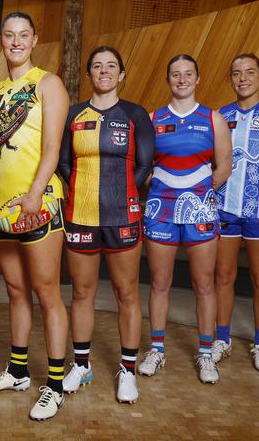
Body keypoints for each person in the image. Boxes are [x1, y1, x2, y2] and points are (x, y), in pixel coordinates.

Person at [0, 12, 69, 421]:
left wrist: (33, 196)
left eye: (23, 35)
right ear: (1, 40)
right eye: (9, 35)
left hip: (39, 202)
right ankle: (16, 372)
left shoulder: (49, 83)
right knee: (15, 290)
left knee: (47, 293)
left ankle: (55, 384)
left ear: (35, 40)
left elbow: (52, 149)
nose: (16, 42)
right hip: (2, 207)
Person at [58, 46, 154, 403]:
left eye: (111, 65)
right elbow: (63, 162)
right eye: (97, 66)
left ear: (121, 74)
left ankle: (127, 371)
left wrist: (124, 195)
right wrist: (79, 191)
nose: (104, 71)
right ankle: (81, 365)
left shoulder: (135, 114)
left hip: (123, 216)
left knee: (126, 292)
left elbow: (144, 165)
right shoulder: (72, 114)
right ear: (89, 74)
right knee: (82, 292)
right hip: (80, 215)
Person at [138, 54, 232, 383]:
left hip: (201, 210)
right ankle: (157, 349)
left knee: (204, 284)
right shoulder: (153, 119)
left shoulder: (213, 119)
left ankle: (206, 354)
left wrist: (201, 192)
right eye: (175, 74)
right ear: (168, 80)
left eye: (187, 74)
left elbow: (224, 166)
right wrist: (164, 189)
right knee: (160, 282)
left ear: (197, 78)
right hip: (160, 210)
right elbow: (143, 166)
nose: (181, 79)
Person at [213, 53, 259, 372]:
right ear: (231, 78)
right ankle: (222, 339)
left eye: (249, 72)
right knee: (224, 276)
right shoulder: (221, 115)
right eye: (237, 73)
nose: (243, 78)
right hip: (225, 208)